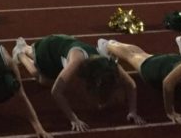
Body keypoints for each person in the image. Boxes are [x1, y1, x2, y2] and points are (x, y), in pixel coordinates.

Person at [13, 34, 144, 131]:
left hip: (68, 47)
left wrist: (133, 111)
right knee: (42, 80)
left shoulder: (110, 65)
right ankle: (22, 52)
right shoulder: (77, 61)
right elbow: (56, 91)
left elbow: (130, 84)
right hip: (49, 49)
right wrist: (73, 119)